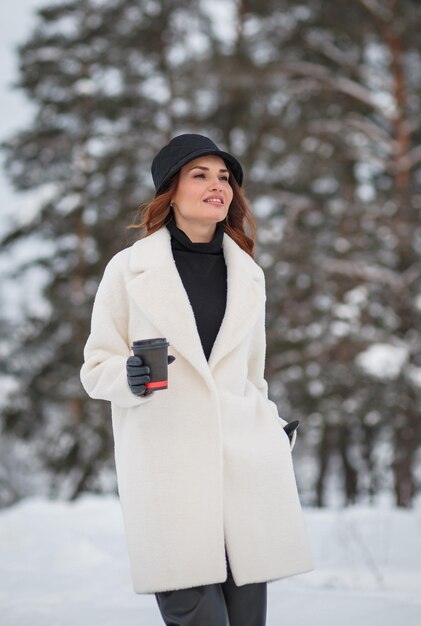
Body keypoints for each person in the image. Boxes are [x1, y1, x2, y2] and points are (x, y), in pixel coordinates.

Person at [80, 133, 313, 626]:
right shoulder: (129, 270)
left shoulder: (248, 273)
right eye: (200, 175)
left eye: (224, 177)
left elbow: (254, 377)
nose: (217, 186)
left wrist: (269, 433)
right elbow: (97, 365)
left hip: (244, 473)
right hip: (170, 472)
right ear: (171, 190)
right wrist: (131, 376)